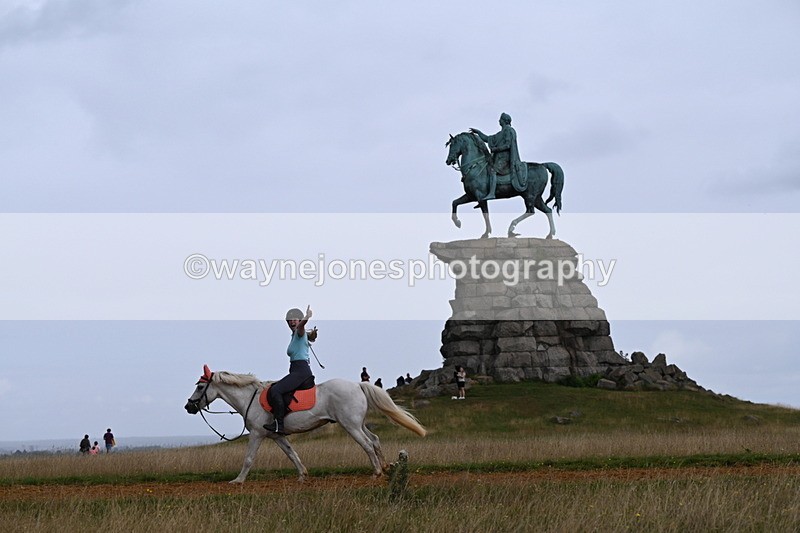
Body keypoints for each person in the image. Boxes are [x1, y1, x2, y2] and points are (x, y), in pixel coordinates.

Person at [264, 306, 316, 435]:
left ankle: (279, 425)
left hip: (301, 371)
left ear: (299, 321)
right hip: (295, 371)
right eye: (289, 321)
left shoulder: (299, 333)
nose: (292, 322)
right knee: (277, 388)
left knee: (275, 390)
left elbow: (301, 327)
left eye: (294, 320)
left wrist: (307, 317)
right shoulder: (294, 336)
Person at [470, 112, 526, 201]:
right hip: (498, 158)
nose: (499, 120)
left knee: (492, 171)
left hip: (505, 158)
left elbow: (508, 145)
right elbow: (488, 139)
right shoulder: (501, 133)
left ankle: (492, 193)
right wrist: (478, 132)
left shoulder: (509, 130)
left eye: (500, 119)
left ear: (504, 121)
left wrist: (496, 149)